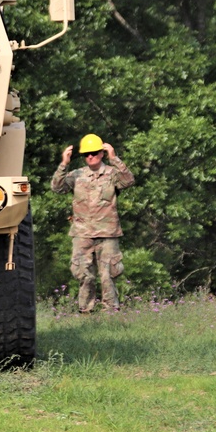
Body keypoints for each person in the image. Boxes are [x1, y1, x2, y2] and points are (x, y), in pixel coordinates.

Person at [51, 133, 135, 312]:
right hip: (82, 233)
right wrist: (64, 164)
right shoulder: (77, 175)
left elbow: (128, 181)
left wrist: (115, 158)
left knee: (107, 275)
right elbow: (57, 188)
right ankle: (86, 312)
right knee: (84, 274)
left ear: (102, 153)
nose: (90, 156)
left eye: (95, 152)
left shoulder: (112, 174)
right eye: (86, 154)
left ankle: (111, 312)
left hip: (107, 233)